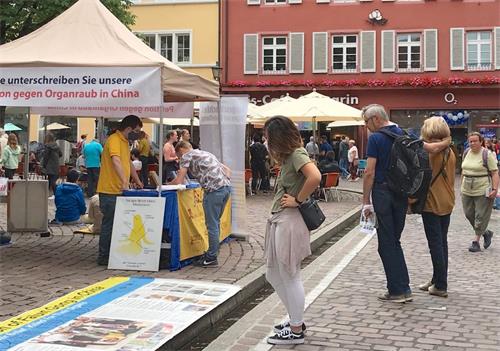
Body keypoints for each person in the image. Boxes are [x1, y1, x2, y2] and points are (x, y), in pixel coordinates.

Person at [361, 104, 449, 303]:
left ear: (375, 119)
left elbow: (369, 172)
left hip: (383, 192)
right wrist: (446, 141)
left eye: (366, 122)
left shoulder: (375, 138)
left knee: (386, 243)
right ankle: (401, 287)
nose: (366, 126)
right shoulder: (404, 133)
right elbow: (428, 150)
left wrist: (366, 201)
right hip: (401, 193)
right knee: (395, 241)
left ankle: (398, 290)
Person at [262, 116, 321, 345]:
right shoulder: (289, 157)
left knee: (289, 274)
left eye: (268, 137)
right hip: (281, 218)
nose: (266, 141)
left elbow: (315, 177)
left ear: (277, 137)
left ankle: (296, 329)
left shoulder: (297, 154)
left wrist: (298, 199)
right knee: (274, 274)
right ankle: (295, 319)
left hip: (290, 219)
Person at [169, 141, 231, 267]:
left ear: (181, 150)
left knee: (212, 225)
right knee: (216, 223)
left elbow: (179, 181)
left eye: (178, 155)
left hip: (213, 191)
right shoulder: (206, 153)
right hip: (226, 189)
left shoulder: (186, 156)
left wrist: (165, 185)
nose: (179, 159)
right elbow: (227, 170)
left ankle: (211, 257)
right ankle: (211, 252)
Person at [96, 115, 143, 266]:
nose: (137, 134)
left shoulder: (125, 142)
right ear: (129, 128)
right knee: (109, 224)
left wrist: (137, 180)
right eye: (136, 131)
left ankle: (114, 254)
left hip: (120, 190)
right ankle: (104, 256)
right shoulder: (114, 140)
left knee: (118, 224)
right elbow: (116, 160)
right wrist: (124, 181)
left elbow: (127, 162)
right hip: (110, 191)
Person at [418, 117, 456, 298]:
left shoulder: (432, 151)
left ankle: (441, 284)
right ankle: (436, 278)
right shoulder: (450, 150)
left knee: (435, 244)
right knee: (442, 242)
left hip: (432, 201)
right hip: (447, 200)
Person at [461, 132, 499, 252]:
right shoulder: (466, 153)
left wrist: (494, 189)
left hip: (482, 189)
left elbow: (494, 173)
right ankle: (486, 233)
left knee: (480, 216)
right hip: (467, 189)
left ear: (481, 141)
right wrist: (461, 185)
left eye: (475, 141)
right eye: (470, 141)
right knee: (468, 214)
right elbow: (463, 170)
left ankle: (476, 241)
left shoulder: (486, 154)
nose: (472, 143)